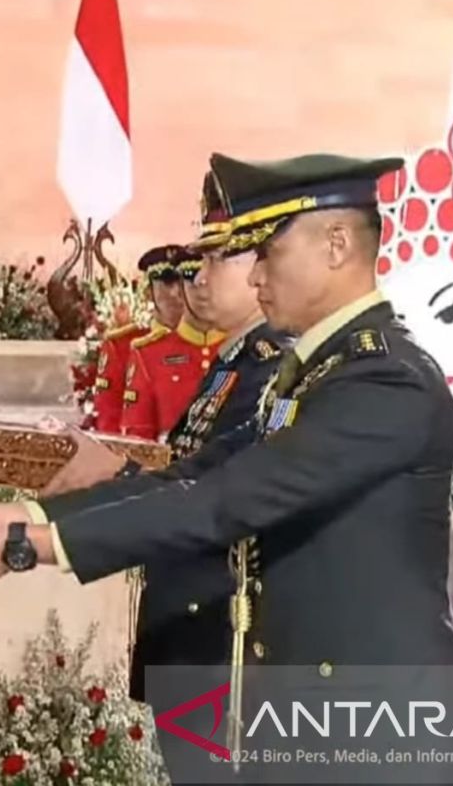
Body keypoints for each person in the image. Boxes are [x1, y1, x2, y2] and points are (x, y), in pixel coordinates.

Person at [0, 152, 453, 785]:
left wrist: (25, 546)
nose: (256, 276)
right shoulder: (319, 373)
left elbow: (225, 500)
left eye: (267, 253)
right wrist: (10, 517)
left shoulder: (384, 381)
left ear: (336, 244)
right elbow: (191, 476)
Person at [42, 171, 291, 784]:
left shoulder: (274, 369)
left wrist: (45, 530)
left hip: (223, 641)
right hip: (186, 626)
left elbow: (217, 493)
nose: (197, 278)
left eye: (217, 258)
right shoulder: (233, 362)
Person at [118, 246, 225, 440]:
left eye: (212, 280)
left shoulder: (243, 346)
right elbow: (138, 440)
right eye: (192, 280)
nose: (204, 290)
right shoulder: (148, 355)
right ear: (180, 290)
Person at [92, 245, 182, 433]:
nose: (176, 293)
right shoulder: (121, 345)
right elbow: (109, 417)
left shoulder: (210, 342)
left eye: (182, 282)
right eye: (166, 283)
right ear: (148, 291)